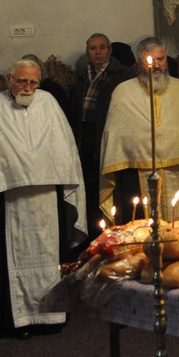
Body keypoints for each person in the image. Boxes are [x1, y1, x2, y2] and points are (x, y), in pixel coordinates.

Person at [0, 58, 85, 337]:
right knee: (10, 257)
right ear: (9, 79)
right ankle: (15, 320)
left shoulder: (48, 103)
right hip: (9, 200)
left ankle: (52, 316)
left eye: (33, 82)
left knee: (49, 254)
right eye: (22, 81)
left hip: (47, 197)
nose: (28, 87)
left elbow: (64, 150)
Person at [100, 37, 179, 222]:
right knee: (140, 228)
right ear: (139, 63)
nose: (157, 65)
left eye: (161, 59)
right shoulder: (123, 92)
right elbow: (114, 136)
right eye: (150, 61)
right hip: (135, 174)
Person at [70, 33, 136, 235]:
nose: (97, 52)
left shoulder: (123, 75)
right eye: (93, 48)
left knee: (112, 192)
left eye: (102, 48)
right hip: (87, 141)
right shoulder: (82, 77)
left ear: (110, 50)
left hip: (110, 141)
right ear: (87, 52)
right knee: (91, 193)